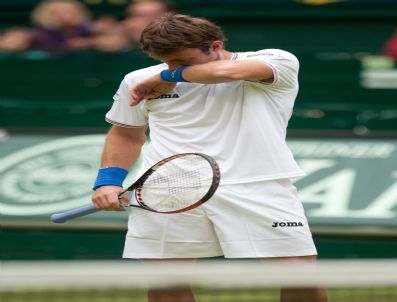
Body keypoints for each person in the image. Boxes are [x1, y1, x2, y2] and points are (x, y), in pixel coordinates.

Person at [92, 13, 328, 302]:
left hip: (257, 185)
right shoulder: (138, 80)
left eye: (182, 62)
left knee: (302, 281)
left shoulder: (276, 60)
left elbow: (223, 73)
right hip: (168, 191)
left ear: (215, 46)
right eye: (166, 62)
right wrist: (108, 180)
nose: (172, 68)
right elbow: (126, 134)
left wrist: (167, 76)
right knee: (167, 286)